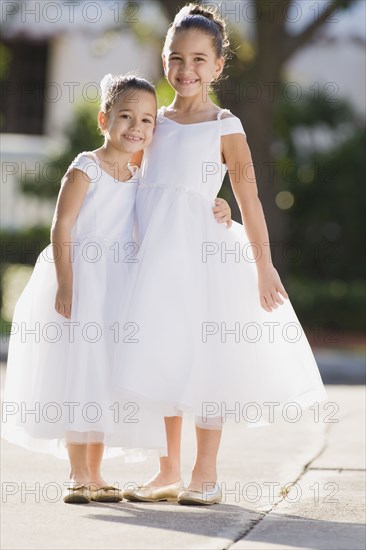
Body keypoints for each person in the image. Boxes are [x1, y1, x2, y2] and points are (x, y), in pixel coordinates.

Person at [115, 4, 328, 506]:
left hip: (204, 256)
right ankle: (167, 468)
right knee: (161, 354)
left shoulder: (225, 125)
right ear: (164, 60)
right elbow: (132, 180)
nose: (185, 70)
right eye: (175, 58)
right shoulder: (152, 122)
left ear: (217, 66)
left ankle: (204, 470)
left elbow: (249, 197)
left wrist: (263, 264)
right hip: (153, 259)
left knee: (207, 356)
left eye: (198, 59)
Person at [2, 71, 233, 505]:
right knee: (79, 374)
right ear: (103, 119)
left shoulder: (139, 172)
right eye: (126, 117)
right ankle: (77, 474)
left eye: (147, 121)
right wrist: (67, 284)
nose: (137, 128)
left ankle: (97, 472)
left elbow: (173, 198)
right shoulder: (86, 167)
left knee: (103, 378)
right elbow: (61, 226)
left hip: (118, 284)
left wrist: (217, 205)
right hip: (82, 277)